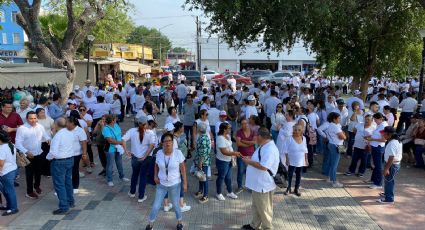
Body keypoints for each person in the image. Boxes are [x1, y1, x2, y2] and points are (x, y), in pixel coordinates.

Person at [145, 133, 187, 230]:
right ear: (162, 143)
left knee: (176, 205)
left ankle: (180, 223)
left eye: (169, 141)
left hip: (175, 184)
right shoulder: (159, 153)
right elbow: (156, 165)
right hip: (161, 184)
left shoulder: (178, 153)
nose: (168, 143)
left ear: (173, 142)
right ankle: (150, 225)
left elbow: (183, 169)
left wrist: (184, 184)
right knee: (155, 206)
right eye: (165, 141)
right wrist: (155, 176)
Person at [241, 127, 279, 230]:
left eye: (256, 136)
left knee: (264, 210)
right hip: (258, 184)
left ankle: (267, 227)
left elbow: (264, 167)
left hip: (263, 185)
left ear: (261, 137)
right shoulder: (264, 146)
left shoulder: (270, 149)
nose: (255, 137)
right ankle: (254, 225)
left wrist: (249, 162)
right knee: (257, 207)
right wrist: (251, 158)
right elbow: (259, 160)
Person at [15, 111, 50, 199]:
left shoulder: (40, 126)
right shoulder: (22, 128)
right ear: (27, 119)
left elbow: (46, 135)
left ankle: (36, 186)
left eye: (35, 118)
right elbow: (18, 143)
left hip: (39, 153)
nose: (33, 120)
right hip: (28, 155)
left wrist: (48, 139)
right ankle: (29, 192)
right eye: (31, 118)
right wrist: (26, 151)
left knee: (38, 171)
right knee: (29, 174)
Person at [122, 116, 155, 203]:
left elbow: (123, 140)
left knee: (135, 175)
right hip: (146, 158)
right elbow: (152, 145)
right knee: (143, 176)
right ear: (146, 123)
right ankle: (141, 196)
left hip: (135, 157)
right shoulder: (150, 133)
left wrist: (126, 151)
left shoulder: (132, 131)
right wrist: (145, 156)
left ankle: (132, 192)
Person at [46, 118, 75, 215]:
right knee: (68, 182)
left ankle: (63, 206)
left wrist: (48, 158)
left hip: (59, 162)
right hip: (70, 159)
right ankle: (70, 201)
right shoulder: (70, 133)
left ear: (56, 124)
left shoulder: (58, 136)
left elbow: (53, 152)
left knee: (59, 184)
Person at [215, 122, 241, 201]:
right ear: (224, 129)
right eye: (229, 128)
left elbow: (230, 146)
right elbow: (224, 151)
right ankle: (218, 193)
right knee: (221, 177)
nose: (230, 129)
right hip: (222, 161)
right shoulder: (220, 138)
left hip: (229, 160)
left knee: (229, 178)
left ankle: (229, 192)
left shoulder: (228, 136)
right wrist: (234, 153)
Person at [102, 115, 129, 186]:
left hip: (118, 148)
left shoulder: (116, 125)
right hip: (110, 149)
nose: (116, 120)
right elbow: (110, 140)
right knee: (110, 165)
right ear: (112, 120)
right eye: (115, 119)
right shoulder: (106, 128)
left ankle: (122, 176)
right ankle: (109, 180)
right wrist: (120, 142)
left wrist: (121, 144)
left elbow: (120, 134)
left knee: (119, 163)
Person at [378, 126, 402, 204]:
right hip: (392, 164)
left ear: (389, 134)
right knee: (388, 180)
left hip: (391, 165)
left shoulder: (392, 143)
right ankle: (387, 193)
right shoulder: (395, 140)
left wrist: (386, 169)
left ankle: (389, 199)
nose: (383, 135)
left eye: (384, 134)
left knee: (389, 181)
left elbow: (391, 157)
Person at [283, 124, 308, 196]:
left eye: (299, 130)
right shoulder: (289, 138)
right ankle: (288, 188)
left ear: (302, 131)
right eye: (295, 130)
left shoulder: (304, 138)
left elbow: (305, 150)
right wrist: (287, 160)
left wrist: (306, 159)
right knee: (290, 174)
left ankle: (296, 188)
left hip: (300, 161)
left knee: (299, 175)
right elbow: (285, 150)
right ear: (293, 130)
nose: (297, 131)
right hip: (291, 160)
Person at [366, 113, 388, 189]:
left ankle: (378, 183)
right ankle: (373, 179)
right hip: (375, 146)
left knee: (378, 166)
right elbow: (377, 134)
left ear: (380, 119)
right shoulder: (380, 125)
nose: (375, 121)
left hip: (378, 148)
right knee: (376, 164)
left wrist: (372, 139)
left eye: (375, 120)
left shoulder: (383, 126)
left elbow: (383, 139)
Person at [67, 115, 88, 194]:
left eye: (67, 122)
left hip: (76, 154)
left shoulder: (79, 130)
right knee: (67, 170)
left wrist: (84, 153)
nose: (66, 124)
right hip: (66, 153)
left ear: (72, 123)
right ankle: (68, 184)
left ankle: (75, 186)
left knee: (74, 170)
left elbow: (84, 142)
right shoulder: (65, 130)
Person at [0, 130, 18, 216]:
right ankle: (9, 206)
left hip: (6, 172)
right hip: (12, 170)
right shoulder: (11, 145)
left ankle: (13, 208)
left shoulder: (2, 148)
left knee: (9, 191)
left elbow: (1, 164)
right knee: (6, 190)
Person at [235, 118, 256, 194]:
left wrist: (243, 141)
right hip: (241, 155)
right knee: (240, 171)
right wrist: (249, 144)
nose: (245, 125)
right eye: (243, 123)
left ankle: (250, 186)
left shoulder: (253, 132)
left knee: (250, 171)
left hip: (251, 155)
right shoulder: (239, 132)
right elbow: (238, 144)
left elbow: (254, 142)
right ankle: (239, 186)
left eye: (246, 123)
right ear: (241, 125)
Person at [325, 112, 346, 188]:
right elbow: (343, 137)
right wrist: (343, 134)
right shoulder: (336, 127)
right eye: (339, 118)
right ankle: (334, 181)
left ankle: (329, 177)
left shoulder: (330, 125)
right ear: (334, 119)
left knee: (331, 162)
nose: (340, 119)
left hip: (331, 144)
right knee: (334, 164)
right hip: (336, 146)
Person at [194, 123, 211, 203]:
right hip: (201, 161)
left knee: (204, 178)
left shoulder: (203, 138)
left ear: (200, 129)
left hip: (203, 162)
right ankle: (200, 191)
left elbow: (203, 152)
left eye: (197, 128)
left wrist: (200, 162)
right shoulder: (202, 136)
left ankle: (206, 195)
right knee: (200, 176)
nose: (196, 128)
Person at [36, 108, 54, 177]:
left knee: (47, 156)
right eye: (41, 113)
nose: (43, 114)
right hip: (38, 142)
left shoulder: (49, 119)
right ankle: (39, 171)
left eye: (44, 112)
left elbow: (53, 128)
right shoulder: (35, 120)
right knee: (40, 157)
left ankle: (47, 172)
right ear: (37, 114)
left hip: (47, 141)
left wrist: (52, 136)